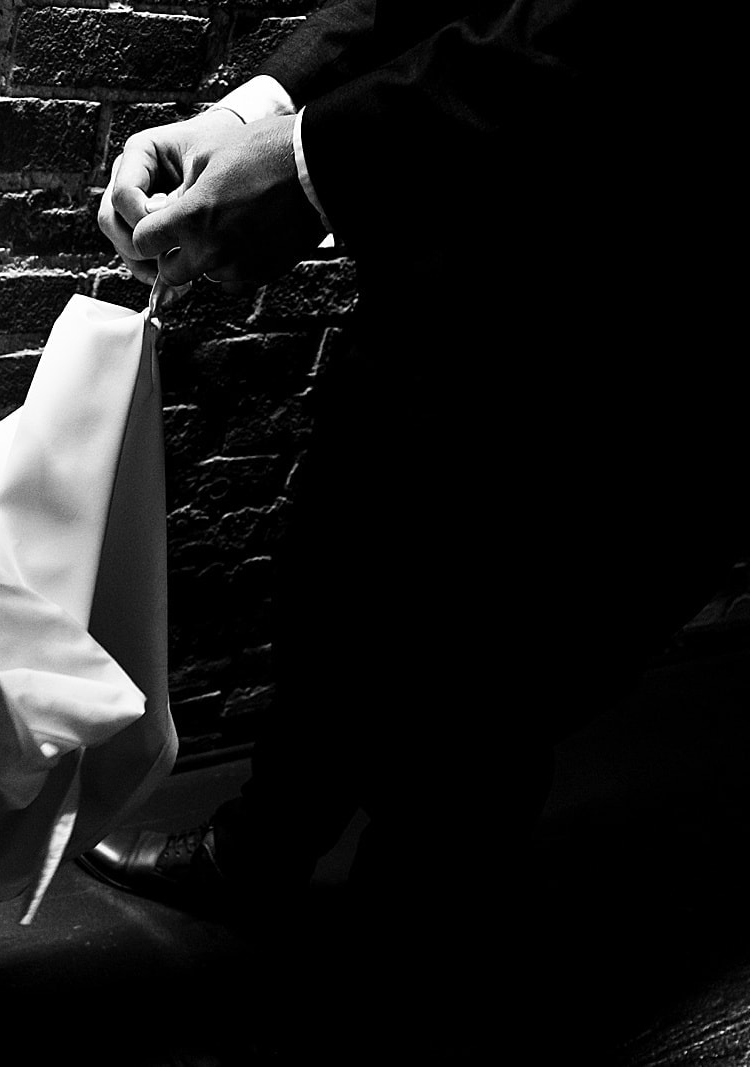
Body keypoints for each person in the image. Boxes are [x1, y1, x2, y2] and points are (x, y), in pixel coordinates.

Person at [86, 0, 744, 1059]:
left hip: (651, 269)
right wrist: (249, 113)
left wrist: (308, 161)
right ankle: (261, 847)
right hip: (451, 259)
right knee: (339, 552)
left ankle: (399, 981)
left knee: (487, 688)